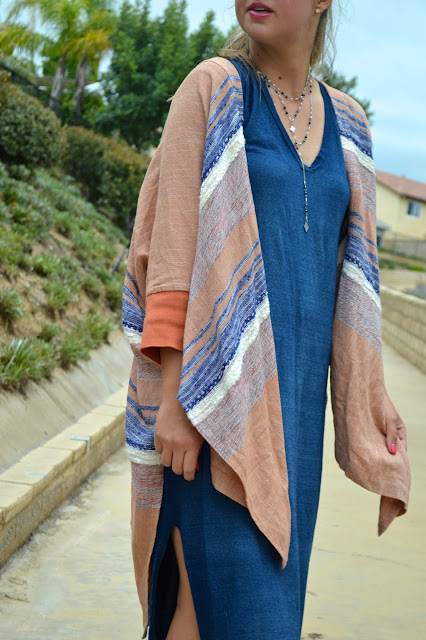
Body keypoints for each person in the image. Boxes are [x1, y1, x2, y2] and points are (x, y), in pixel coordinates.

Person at [122, 1, 411, 639]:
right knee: (224, 616)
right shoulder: (215, 88)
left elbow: (354, 283)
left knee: (227, 615)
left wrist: (374, 394)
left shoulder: (349, 124)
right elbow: (169, 249)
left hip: (297, 424)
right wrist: (176, 400)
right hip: (213, 408)